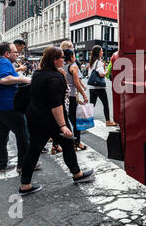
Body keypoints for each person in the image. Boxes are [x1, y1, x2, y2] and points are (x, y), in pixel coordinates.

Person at [19, 47, 93, 196]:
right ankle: (77, 174)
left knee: (34, 150)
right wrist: (63, 125)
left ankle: (25, 184)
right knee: (67, 144)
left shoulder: (38, 74)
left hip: (35, 117)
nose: (64, 60)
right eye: (61, 57)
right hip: (52, 120)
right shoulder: (54, 78)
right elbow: (56, 104)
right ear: (54, 60)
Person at [0, 42, 33, 175]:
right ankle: (24, 165)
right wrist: (24, 80)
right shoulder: (4, 62)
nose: (17, 54)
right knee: (23, 134)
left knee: (1, 136)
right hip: (8, 105)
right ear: (7, 54)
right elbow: (3, 79)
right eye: (15, 52)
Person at [63, 48, 89, 151]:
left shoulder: (62, 67)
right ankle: (76, 143)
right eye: (74, 55)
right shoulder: (73, 67)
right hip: (72, 96)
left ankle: (58, 144)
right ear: (71, 56)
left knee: (66, 121)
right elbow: (76, 83)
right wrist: (84, 95)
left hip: (64, 97)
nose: (75, 57)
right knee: (77, 121)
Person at [88, 45, 116, 126]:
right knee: (105, 104)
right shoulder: (99, 62)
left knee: (92, 105)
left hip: (92, 87)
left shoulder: (92, 62)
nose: (102, 52)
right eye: (101, 51)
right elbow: (101, 74)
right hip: (99, 87)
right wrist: (107, 71)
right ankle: (108, 121)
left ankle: (88, 121)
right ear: (98, 53)